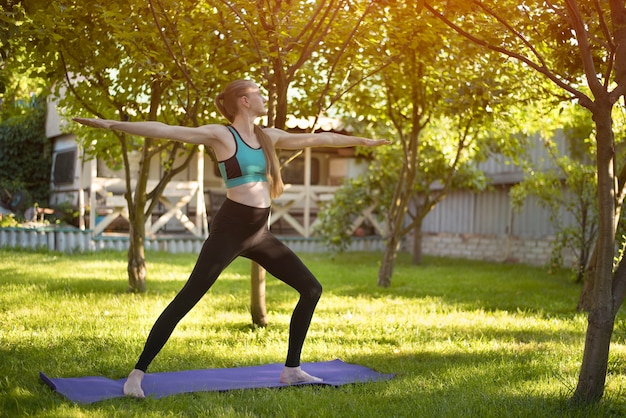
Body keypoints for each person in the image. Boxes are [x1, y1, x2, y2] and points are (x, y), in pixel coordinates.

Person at [73, 79, 389, 398]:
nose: (264, 97)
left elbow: (317, 139)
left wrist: (366, 140)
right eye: (259, 94)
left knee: (311, 289)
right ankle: (136, 374)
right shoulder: (222, 135)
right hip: (229, 230)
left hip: (259, 233)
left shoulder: (269, 136)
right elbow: (165, 129)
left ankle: (292, 369)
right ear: (244, 100)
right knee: (188, 297)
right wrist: (111, 123)